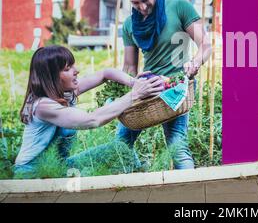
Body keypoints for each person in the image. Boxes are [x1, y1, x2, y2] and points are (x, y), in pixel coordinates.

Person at [14, 45, 163, 178]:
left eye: (73, 66)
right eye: (67, 69)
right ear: (51, 77)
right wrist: (134, 94)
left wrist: (134, 83)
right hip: (32, 174)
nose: (76, 71)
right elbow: (92, 120)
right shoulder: (43, 106)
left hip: (58, 166)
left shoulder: (63, 93)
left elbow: (105, 73)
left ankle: (139, 177)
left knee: (118, 148)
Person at [117, 0, 212, 169]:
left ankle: (189, 192)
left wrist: (194, 63)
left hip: (175, 89)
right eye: (135, 3)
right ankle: (141, 173)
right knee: (121, 144)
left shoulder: (179, 7)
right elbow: (130, 68)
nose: (142, 7)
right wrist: (123, 92)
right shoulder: (128, 25)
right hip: (148, 89)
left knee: (177, 149)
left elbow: (206, 45)